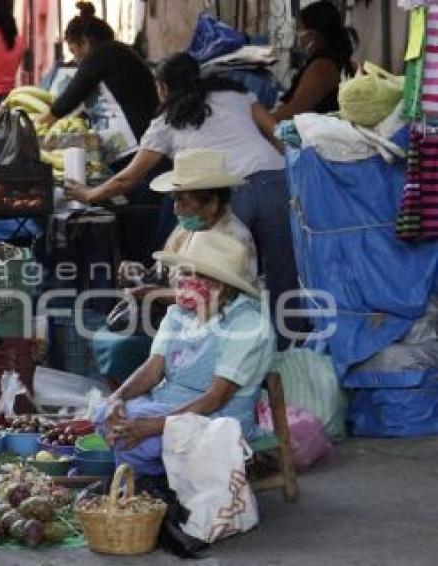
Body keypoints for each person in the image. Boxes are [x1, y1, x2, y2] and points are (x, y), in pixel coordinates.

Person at [66, 52, 302, 349]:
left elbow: (129, 178)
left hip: (231, 192)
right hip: (275, 180)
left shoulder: (166, 121)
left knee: (225, 276)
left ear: (163, 87)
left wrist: (88, 194)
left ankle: (227, 349)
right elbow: (277, 134)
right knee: (283, 275)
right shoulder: (236, 95)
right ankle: (286, 349)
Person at [96, 231, 275, 477]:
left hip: (219, 420)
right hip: (169, 405)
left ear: (218, 284)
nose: (179, 280)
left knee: (133, 436)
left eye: (189, 274)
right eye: (181, 272)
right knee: (106, 415)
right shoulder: (178, 314)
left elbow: (216, 398)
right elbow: (153, 367)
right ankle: (156, 485)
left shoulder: (248, 325)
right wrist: (117, 398)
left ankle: (155, 489)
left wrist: (155, 426)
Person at [93, 149, 257, 389]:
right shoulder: (190, 226)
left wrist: (156, 295)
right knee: (105, 335)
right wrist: (140, 273)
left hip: (214, 323)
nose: (176, 209)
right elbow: (169, 269)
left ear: (212, 203)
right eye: (175, 199)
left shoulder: (231, 238)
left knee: (121, 348)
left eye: (183, 200)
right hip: (178, 315)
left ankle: (136, 399)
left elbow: (218, 297)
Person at [40, 1, 171, 263]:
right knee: (137, 215)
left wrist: (41, 123)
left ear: (86, 42)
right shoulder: (117, 58)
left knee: (143, 222)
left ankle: (148, 271)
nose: (75, 58)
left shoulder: (107, 53)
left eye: (74, 50)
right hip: (130, 153)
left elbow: (70, 97)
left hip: (141, 152)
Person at [255, 0, 359, 140]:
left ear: (313, 35)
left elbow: (292, 112)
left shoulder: (323, 68)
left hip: (309, 133)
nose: (297, 34)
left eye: (299, 29)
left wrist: (258, 121)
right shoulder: (337, 58)